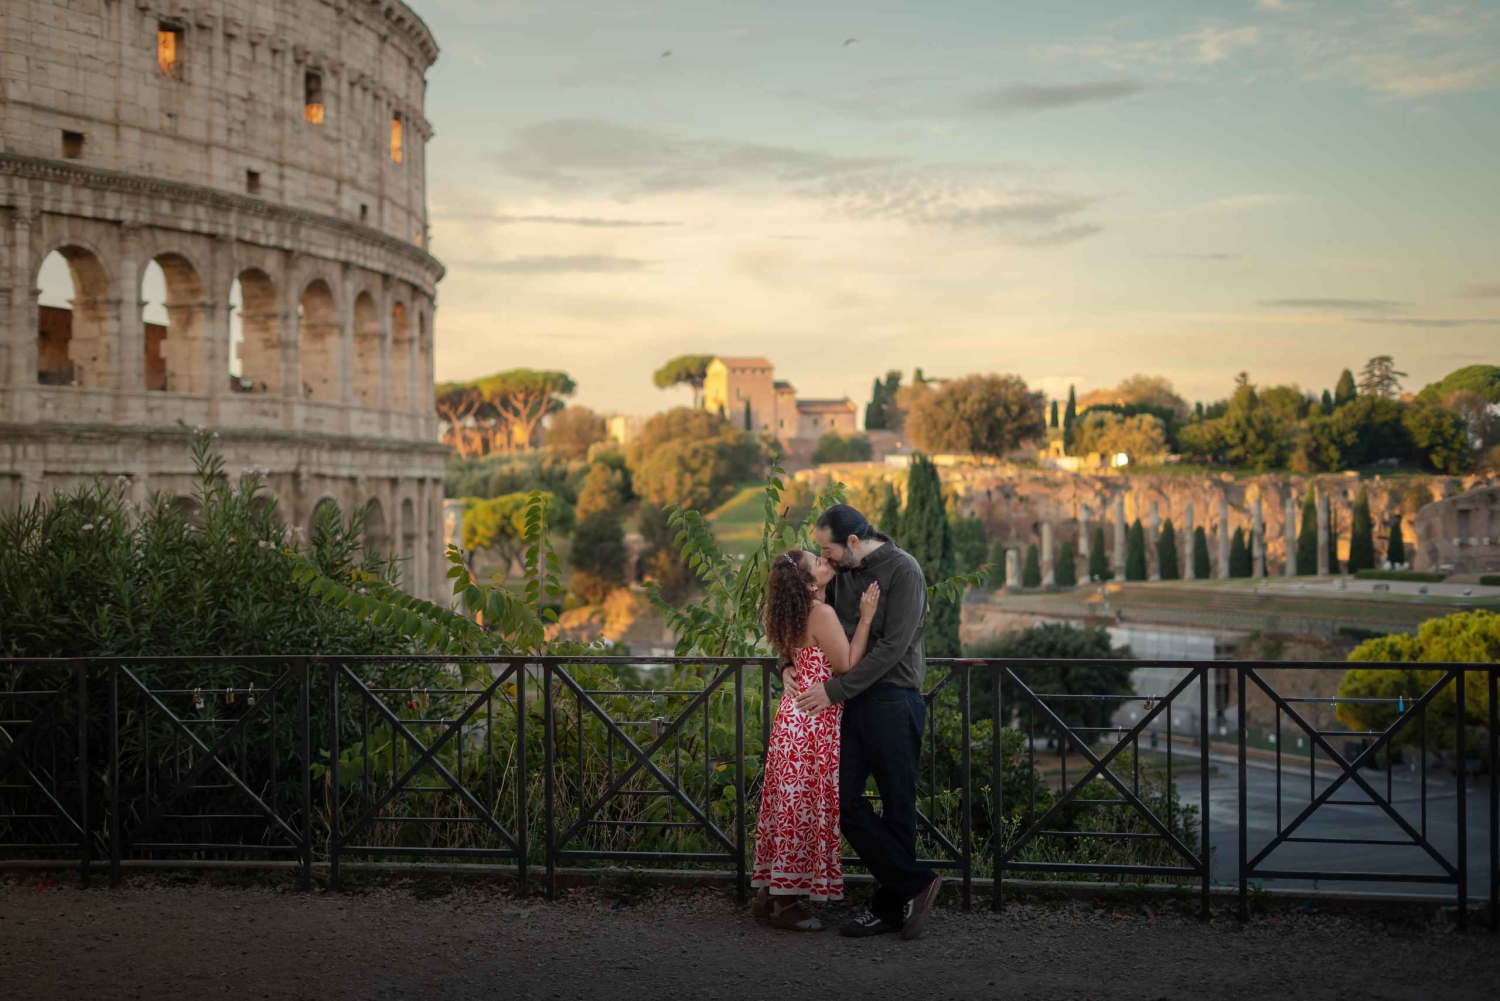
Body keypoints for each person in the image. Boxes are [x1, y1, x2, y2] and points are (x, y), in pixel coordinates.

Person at [793, 504, 942, 940]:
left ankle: (889, 909)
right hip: (851, 705)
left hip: (894, 701)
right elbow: (808, 620)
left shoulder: (904, 570)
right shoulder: (842, 573)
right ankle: (916, 882)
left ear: (853, 542)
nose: (825, 557)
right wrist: (787, 662)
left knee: (898, 807)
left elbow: (893, 647)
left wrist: (835, 690)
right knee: (844, 802)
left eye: (828, 548)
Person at [750, 549, 879, 932]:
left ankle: (769, 894)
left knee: (786, 806)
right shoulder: (820, 613)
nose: (825, 563)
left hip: (792, 720)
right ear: (808, 582)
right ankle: (787, 906)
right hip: (813, 722)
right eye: (817, 563)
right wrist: (867, 618)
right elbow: (846, 666)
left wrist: (788, 666)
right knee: (801, 809)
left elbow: (795, 655)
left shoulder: (791, 611)